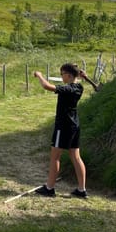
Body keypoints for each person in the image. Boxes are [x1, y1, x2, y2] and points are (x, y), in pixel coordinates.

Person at [33, 63, 88, 198]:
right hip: (74, 126)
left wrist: (40, 75)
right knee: (76, 156)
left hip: (63, 127)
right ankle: (82, 190)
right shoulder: (79, 87)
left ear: (69, 75)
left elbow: (47, 86)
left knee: (55, 157)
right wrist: (81, 77)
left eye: (62, 74)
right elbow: (76, 79)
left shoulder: (68, 89)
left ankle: (49, 188)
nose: (61, 76)